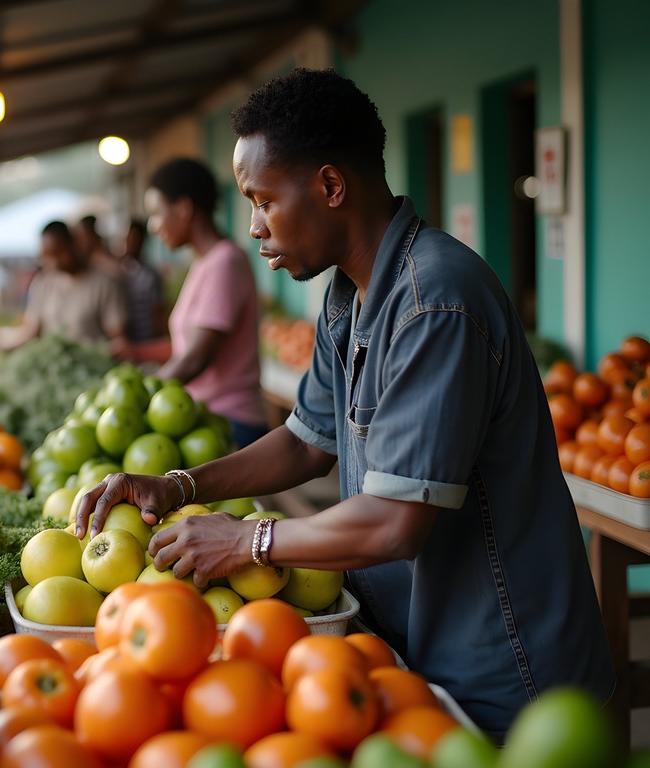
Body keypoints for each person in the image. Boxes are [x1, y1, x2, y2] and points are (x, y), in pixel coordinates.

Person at [76, 68, 614, 739]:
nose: (253, 227)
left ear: (330, 186)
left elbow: (395, 524)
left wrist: (250, 539)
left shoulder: (434, 302)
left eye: (264, 200)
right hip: (414, 637)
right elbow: (306, 440)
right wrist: (178, 484)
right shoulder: (348, 297)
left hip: (503, 663)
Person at [117, 157, 268, 448]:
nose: (152, 226)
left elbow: (197, 356)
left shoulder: (225, 262)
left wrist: (142, 393)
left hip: (227, 425)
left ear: (184, 209)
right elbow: (184, 346)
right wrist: (136, 352)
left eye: (157, 213)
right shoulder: (203, 263)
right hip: (197, 419)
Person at [0, 220, 128, 351]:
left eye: (58, 253)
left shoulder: (104, 285)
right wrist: (3, 341)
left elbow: (118, 339)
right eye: (48, 256)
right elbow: (32, 331)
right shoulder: (44, 283)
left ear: (73, 245)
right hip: (54, 365)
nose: (53, 262)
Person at [116, 218, 167, 344]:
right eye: (128, 238)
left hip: (145, 342)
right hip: (125, 343)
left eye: (135, 238)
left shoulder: (150, 275)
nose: (131, 242)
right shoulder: (117, 270)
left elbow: (158, 312)